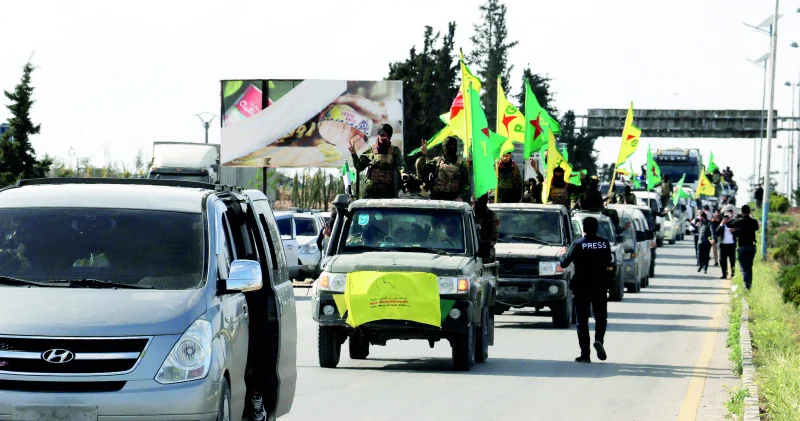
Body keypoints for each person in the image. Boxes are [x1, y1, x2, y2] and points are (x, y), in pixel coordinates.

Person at [559, 216, 613, 363]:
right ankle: (599, 340)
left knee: (582, 321)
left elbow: (564, 263)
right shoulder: (604, 243)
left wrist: (562, 253)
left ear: (584, 229)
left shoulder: (578, 244)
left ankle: (585, 354)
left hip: (581, 287)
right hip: (600, 286)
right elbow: (609, 263)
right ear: (597, 228)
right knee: (600, 318)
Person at [349, 124, 407, 199]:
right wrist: (354, 154)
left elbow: (401, 165)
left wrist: (403, 173)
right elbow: (359, 167)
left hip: (388, 191)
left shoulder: (394, 151)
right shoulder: (371, 150)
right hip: (371, 192)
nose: (385, 138)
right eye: (383, 135)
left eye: (387, 136)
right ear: (378, 135)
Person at [418, 136, 471, 202]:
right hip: (436, 200)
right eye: (447, 147)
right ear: (444, 147)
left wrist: (460, 197)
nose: (450, 149)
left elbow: (466, 185)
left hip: (454, 200)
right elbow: (422, 171)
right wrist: (423, 155)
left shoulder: (462, 165)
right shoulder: (437, 161)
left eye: (452, 146)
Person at [728, 205, 760, 289]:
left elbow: (729, 224)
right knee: (749, 267)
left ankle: (747, 286)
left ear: (742, 212)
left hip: (742, 247)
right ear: (749, 212)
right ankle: (749, 285)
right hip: (752, 247)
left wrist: (735, 218)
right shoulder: (753, 221)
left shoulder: (739, 221)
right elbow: (757, 228)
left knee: (744, 268)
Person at [473, 194, 499, 262]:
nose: (477, 202)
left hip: (485, 254)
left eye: (480, 200)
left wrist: (486, 246)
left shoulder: (491, 215)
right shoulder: (471, 213)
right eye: (476, 200)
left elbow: (494, 236)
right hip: (471, 250)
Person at [716, 210, 737, 279]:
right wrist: (721, 224)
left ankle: (733, 274)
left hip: (731, 245)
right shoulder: (722, 225)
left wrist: (734, 231)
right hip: (723, 245)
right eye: (725, 218)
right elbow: (717, 233)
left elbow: (739, 233)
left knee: (732, 261)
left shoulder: (734, 224)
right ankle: (724, 274)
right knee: (722, 260)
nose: (726, 219)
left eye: (728, 218)